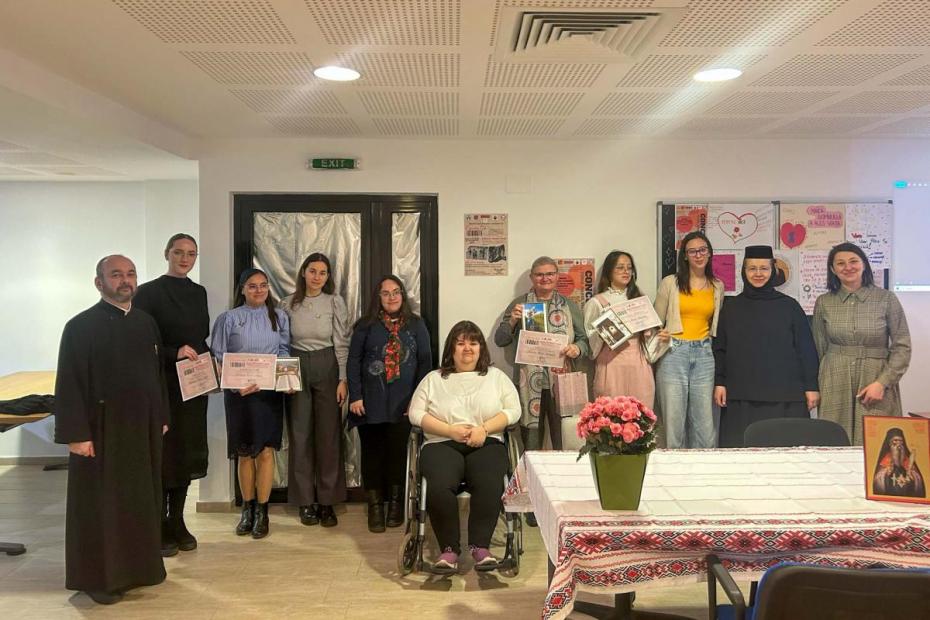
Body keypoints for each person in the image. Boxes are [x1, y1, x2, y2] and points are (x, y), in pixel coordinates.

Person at [53, 255, 169, 605]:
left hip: (141, 429)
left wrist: (161, 415)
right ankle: (99, 579)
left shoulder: (146, 323)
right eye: (116, 274)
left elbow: (156, 375)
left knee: (139, 501)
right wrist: (76, 434)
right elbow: (69, 383)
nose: (125, 280)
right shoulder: (80, 326)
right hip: (100, 433)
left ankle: (138, 571)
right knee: (100, 506)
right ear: (99, 282)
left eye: (130, 274)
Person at [408, 321, 521, 574]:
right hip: (441, 442)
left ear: (481, 348)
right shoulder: (434, 379)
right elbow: (415, 414)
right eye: (460, 343)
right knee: (438, 484)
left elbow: (514, 410)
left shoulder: (496, 377)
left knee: (490, 481)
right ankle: (449, 550)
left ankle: (480, 548)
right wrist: (449, 430)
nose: (467, 348)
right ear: (451, 349)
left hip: (486, 441)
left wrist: (485, 429)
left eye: (473, 343)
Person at [133, 233, 209, 557]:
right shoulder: (148, 292)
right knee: (166, 455)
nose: (184, 259)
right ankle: (160, 524)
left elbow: (201, 338)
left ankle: (178, 520)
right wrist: (172, 352)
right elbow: (139, 341)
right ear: (167, 254)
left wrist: (212, 369)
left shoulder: (198, 292)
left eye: (191, 254)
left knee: (188, 453)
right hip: (163, 383)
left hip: (193, 385)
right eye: (179, 252)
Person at [713, 246, 820, 448]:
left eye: (764, 268)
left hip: (786, 397)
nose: (758, 274)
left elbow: (806, 349)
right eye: (752, 268)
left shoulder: (790, 306)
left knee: (788, 455)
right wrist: (720, 382)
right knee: (742, 454)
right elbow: (720, 349)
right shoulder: (731, 307)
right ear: (744, 271)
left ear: (773, 271)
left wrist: (811, 387)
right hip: (741, 397)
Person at [347, 275, 431, 533]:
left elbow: (425, 362)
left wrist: (417, 400)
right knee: (372, 455)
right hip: (369, 402)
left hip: (403, 403)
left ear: (402, 295)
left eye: (396, 292)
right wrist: (355, 395)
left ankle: (396, 504)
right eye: (386, 293)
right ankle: (375, 506)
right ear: (378, 297)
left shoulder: (416, 325)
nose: (392, 297)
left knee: (398, 454)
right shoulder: (365, 326)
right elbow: (353, 361)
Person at [211, 268, 290, 539]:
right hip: (239, 395)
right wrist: (235, 385)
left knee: (266, 452)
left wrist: (287, 380)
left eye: (263, 285)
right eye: (253, 286)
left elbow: (284, 351)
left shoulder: (279, 317)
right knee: (244, 453)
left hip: (268, 394)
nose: (259, 290)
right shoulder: (228, 319)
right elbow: (219, 356)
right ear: (243, 289)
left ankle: (263, 511)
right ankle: (247, 508)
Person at [813, 243, 911, 445]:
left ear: (864, 264)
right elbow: (819, 347)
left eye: (853, 261)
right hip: (835, 379)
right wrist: (819, 385)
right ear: (833, 269)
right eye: (840, 263)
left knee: (877, 442)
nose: (847, 267)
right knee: (834, 439)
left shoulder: (886, 299)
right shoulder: (824, 302)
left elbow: (902, 347)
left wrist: (882, 382)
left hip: (875, 378)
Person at [279, 253, 350, 528]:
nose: (317, 277)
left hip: (327, 364)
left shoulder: (334, 302)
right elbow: (282, 343)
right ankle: (305, 501)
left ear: (328, 276)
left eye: (323, 272)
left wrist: (342, 378)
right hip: (297, 364)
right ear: (303, 272)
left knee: (328, 436)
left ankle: (327, 501)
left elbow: (341, 342)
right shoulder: (287, 304)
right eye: (312, 271)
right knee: (300, 434)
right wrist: (285, 378)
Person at [494, 256, 589, 453]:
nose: (545, 278)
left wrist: (577, 348)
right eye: (539, 275)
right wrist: (512, 321)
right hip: (527, 382)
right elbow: (500, 340)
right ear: (531, 277)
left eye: (550, 274)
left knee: (564, 436)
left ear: (557, 276)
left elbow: (585, 340)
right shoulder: (520, 304)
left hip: (562, 382)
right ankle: (530, 471)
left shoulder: (569, 306)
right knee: (531, 440)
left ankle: (564, 472)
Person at [654, 232, 724, 449]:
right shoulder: (671, 283)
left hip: (704, 353)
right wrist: (660, 333)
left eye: (702, 250)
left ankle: (703, 466)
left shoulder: (717, 285)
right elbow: (654, 322)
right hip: (674, 353)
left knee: (705, 423)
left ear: (709, 253)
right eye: (692, 251)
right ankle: (674, 467)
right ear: (684, 256)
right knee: (674, 422)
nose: (698, 255)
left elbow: (716, 324)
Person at [584, 251, 668, 407]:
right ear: (609, 271)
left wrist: (662, 339)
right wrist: (601, 334)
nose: (626, 271)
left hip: (639, 366)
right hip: (610, 366)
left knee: (641, 413)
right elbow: (590, 344)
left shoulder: (640, 300)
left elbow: (649, 342)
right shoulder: (597, 302)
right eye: (620, 267)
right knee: (610, 414)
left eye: (629, 268)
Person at [872, 427, 925, 498]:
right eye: (895, 440)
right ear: (890, 443)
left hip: (907, 494)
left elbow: (917, 477)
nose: (898, 443)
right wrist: (886, 472)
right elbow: (878, 477)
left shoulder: (907, 459)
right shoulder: (886, 458)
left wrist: (911, 474)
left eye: (900, 441)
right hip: (889, 494)